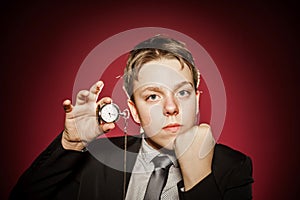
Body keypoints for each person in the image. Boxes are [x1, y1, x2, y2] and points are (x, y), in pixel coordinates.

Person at [10, 35, 253, 200]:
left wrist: (198, 178)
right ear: (134, 110)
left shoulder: (233, 166)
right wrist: (71, 144)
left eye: (182, 92)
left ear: (197, 100)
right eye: (153, 97)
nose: (171, 107)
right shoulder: (100, 158)